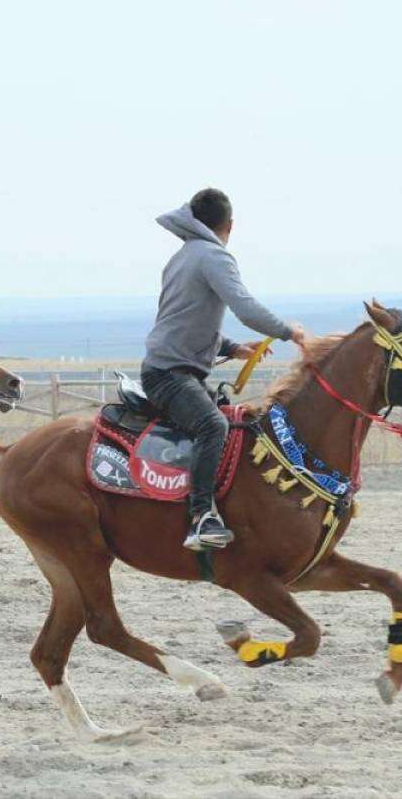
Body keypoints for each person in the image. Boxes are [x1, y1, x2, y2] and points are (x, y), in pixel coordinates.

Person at [141, 188, 307, 551]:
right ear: (230, 225)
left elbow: (183, 320)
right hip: (171, 374)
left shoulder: (183, 256)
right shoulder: (215, 256)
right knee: (212, 425)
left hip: (168, 367)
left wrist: (231, 348)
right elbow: (245, 309)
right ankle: (201, 516)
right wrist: (288, 331)